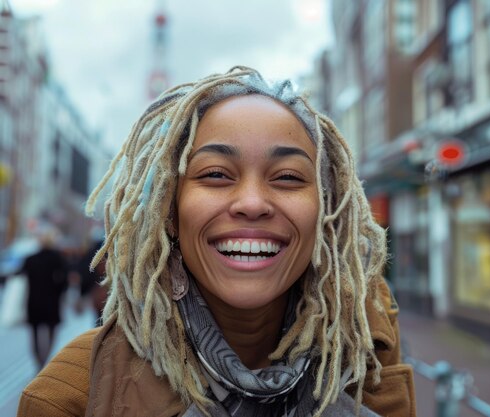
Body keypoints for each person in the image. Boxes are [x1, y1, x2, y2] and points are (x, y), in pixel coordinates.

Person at [17, 67, 416, 417]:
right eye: (215, 174)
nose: (252, 203)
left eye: (288, 177)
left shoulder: (372, 357)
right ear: (169, 212)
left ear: (325, 214)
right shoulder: (71, 398)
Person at [20, 228, 68, 370]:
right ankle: (46, 358)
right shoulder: (58, 258)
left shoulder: (30, 259)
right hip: (52, 302)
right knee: (52, 330)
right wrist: (58, 292)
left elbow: (21, 275)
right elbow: (64, 281)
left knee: (34, 332)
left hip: (33, 302)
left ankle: (38, 360)